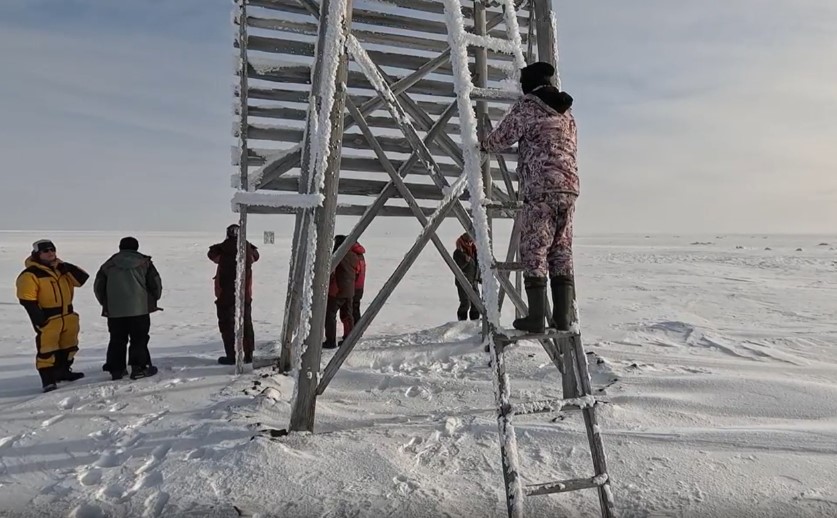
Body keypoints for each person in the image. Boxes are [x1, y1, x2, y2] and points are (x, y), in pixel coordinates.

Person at [481, 61, 578, 334]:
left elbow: (501, 138)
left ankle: (535, 316)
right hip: (569, 187)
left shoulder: (528, 107)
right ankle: (562, 317)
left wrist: (484, 143)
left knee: (535, 247)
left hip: (541, 186)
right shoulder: (567, 112)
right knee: (561, 248)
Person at [16, 239, 89, 392]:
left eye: (52, 250)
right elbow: (27, 300)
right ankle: (48, 380)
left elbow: (81, 280)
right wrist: (40, 321)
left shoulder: (61, 270)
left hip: (68, 316)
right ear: (37, 254)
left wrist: (66, 267)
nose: (50, 253)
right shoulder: (30, 275)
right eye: (45, 251)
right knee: (47, 350)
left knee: (69, 347)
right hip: (49, 318)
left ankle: (63, 372)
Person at [94, 237, 163, 380]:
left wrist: (106, 303)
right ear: (136, 247)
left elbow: (98, 286)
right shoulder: (145, 263)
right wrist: (153, 299)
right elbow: (155, 283)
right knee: (139, 338)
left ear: (120, 247)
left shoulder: (108, 264)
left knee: (117, 339)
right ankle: (138, 368)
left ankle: (116, 369)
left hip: (115, 310)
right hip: (140, 309)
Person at [208, 224, 259, 365]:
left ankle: (232, 355)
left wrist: (225, 243)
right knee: (246, 324)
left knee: (227, 325)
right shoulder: (248, 249)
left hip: (225, 295)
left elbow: (212, 255)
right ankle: (248, 355)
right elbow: (256, 256)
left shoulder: (222, 249)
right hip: (244, 293)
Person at [324, 235, 358, 349]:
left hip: (337, 290)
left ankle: (330, 340)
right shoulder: (354, 256)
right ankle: (349, 339)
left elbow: (330, 272)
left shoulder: (337, 256)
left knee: (330, 316)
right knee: (347, 315)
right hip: (350, 291)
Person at [453, 233, 480, 321]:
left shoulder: (475, 251)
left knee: (476, 303)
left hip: (474, 280)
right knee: (465, 303)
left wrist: (479, 278)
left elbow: (477, 265)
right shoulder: (458, 253)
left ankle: (475, 322)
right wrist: (465, 260)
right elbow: (457, 267)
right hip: (463, 281)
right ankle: (462, 321)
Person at [351, 240, 366, 325]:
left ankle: (354, 332)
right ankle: (357, 330)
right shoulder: (360, 255)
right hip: (360, 286)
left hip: (354, 286)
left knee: (352, 310)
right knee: (355, 308)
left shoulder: (353, 255)